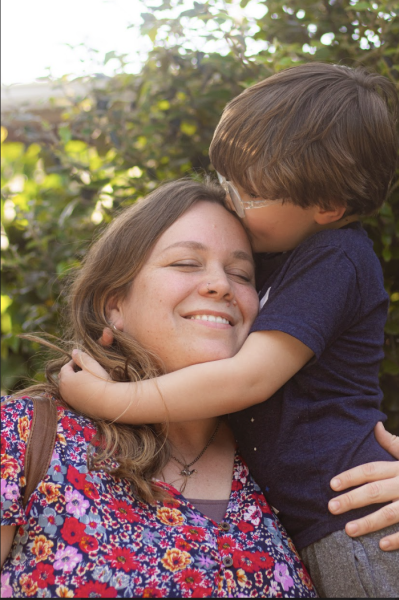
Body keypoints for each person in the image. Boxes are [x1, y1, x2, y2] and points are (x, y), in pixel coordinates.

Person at [59, 65, 399, 597]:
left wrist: (108, 397)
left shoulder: (337, 258)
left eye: (247, 194)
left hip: (363, 525)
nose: (231, 200)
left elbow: (247, 379)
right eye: (227, 181)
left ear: (326, 207)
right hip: (333, 527)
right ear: (111, 302)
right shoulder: (288, 256)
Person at [1, 181, 319, 598]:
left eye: (241, 274)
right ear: (114, 306)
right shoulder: (21, 435)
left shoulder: (290, 454)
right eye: (187, 263)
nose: (221, 285)